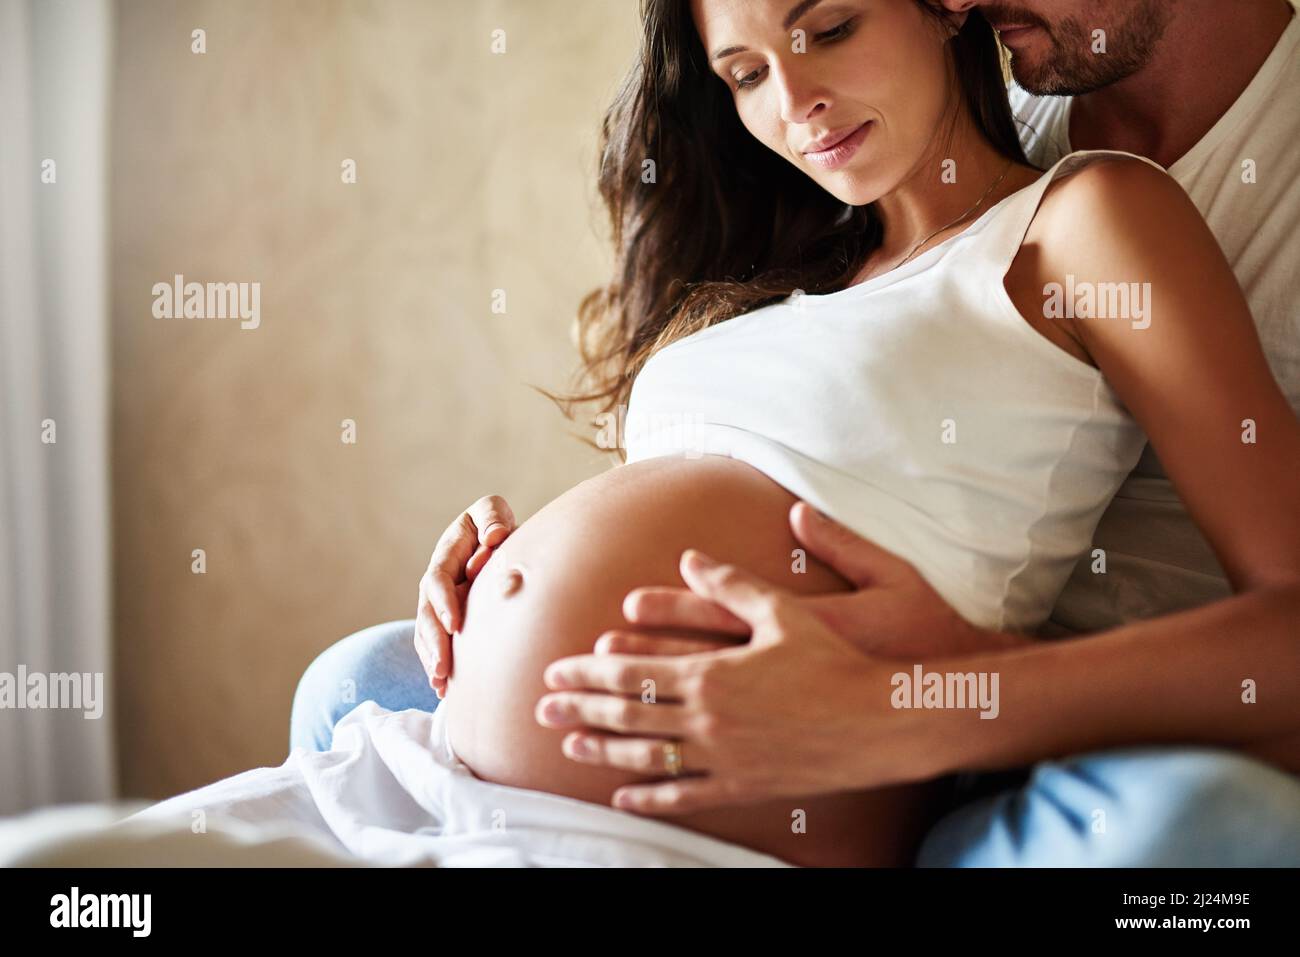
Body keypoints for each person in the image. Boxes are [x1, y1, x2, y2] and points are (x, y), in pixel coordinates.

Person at [291, 0, 1300, 865]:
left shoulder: (1085, 214)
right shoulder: (806, 239)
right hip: (543, 757)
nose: (793, 100)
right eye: (743, 74)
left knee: (1207, 829)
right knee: (357, 676)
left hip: (920, 753)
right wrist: (511, 569)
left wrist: (938, 692)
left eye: (829, 27)